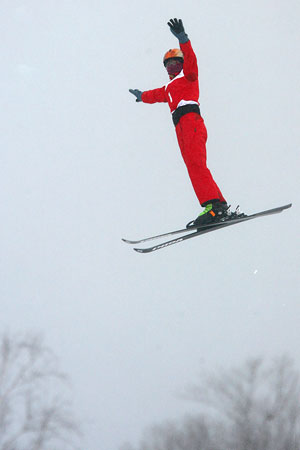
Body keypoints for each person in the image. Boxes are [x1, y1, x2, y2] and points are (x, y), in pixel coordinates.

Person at [129, 18, 229, 227]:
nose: (171, 68)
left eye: (174, 63)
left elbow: (191, 58)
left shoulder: (189, 75)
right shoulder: (169, 87)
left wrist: (183, 39)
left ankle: (212, 206)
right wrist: (141, 96)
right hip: (180, 127)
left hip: (190, 120)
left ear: (182, 64)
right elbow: (155, 94)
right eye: (168, 65)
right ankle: (219, 204)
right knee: (193, 164)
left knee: (195, 163)